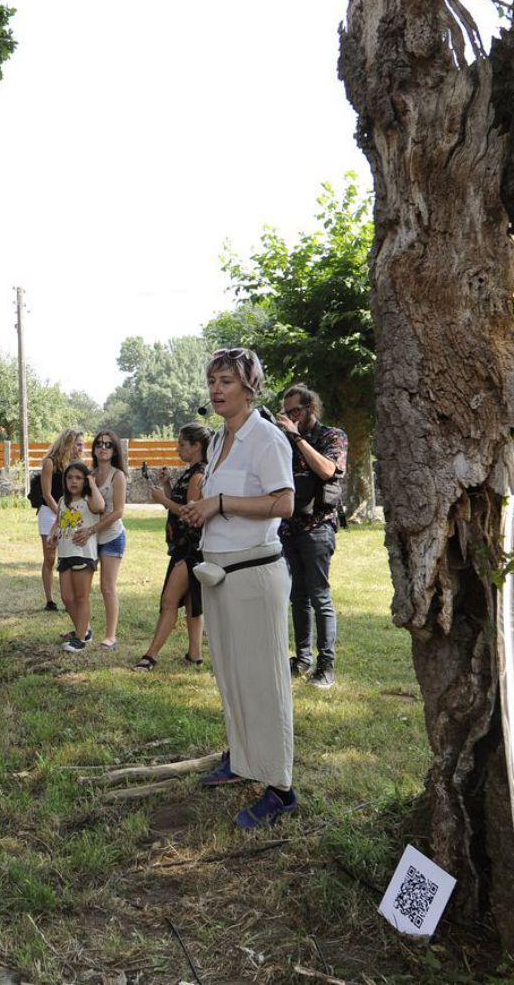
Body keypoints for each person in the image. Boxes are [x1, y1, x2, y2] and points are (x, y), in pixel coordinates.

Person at [181, 348, 297, 828]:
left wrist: (222, 503)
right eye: (211, 380)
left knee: (263, 681)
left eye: (226, 380)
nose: (216, 389)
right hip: (219, 571)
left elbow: (284, 503)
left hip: (254, 573)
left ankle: (280, 788)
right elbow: (217, 504)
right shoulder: (218, 441)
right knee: (229, 674)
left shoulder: (266, 438)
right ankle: (243, 759)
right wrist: (201, 510)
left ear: (250, 386)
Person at [277, 385, 348, 689]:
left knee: (320, 596)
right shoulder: (285, 440)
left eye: (295, 411)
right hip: (289, 527)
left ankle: (326, 665)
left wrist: (296, 437)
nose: (290, 417)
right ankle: (302, 658)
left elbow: (328, 469)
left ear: (310, 408)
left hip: (318, 526)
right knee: (298, 597)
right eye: (287, 412)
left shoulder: (332, 436)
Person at [135, 422, 209, 670]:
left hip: (190, 549)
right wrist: (167, 485)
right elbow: (182, 503)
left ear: (197, 446)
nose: (178, 449)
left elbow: (190, 513)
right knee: (191, 602)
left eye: (182, 444)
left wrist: (163, 500)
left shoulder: (199, 474)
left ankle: (151, 656)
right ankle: (194, 655)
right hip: (183, 547)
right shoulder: (191, 472)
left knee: (169, 601)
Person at [52, 462, 104, 654]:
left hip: (83, 553)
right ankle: (85, 629)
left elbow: (100, 507)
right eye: (69, 477)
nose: (73, 481)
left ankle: (80, 638)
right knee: (67, 597)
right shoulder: (62, 501)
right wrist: (52, 534)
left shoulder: (89, 499)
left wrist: (92, 482)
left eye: (78, 478)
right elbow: (58, 522)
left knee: (81, 597)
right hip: (65, 554)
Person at [87, 430, 129, 651]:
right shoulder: (90, 475)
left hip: (112, 536)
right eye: (99, 444)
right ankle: (82, 629)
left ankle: (110, 636)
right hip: (91, 538)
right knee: (82, 586)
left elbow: (118, 511)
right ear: (94, 449)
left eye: (108, 445)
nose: (103, 447)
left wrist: (92, 529)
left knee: (107, 587)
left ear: (114, 451)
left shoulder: (117, 476)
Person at [36, 429, 84, 612]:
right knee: (49, 558)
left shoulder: (78, 465)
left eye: (81, 445)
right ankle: (49, 600)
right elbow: (47, 494)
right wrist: (61, 515)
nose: (80, 448)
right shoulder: (50, 463)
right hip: (50, 512)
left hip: (70, 514)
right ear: (68, 443)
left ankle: (69, 599)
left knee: (68, 556)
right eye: (77, 444)